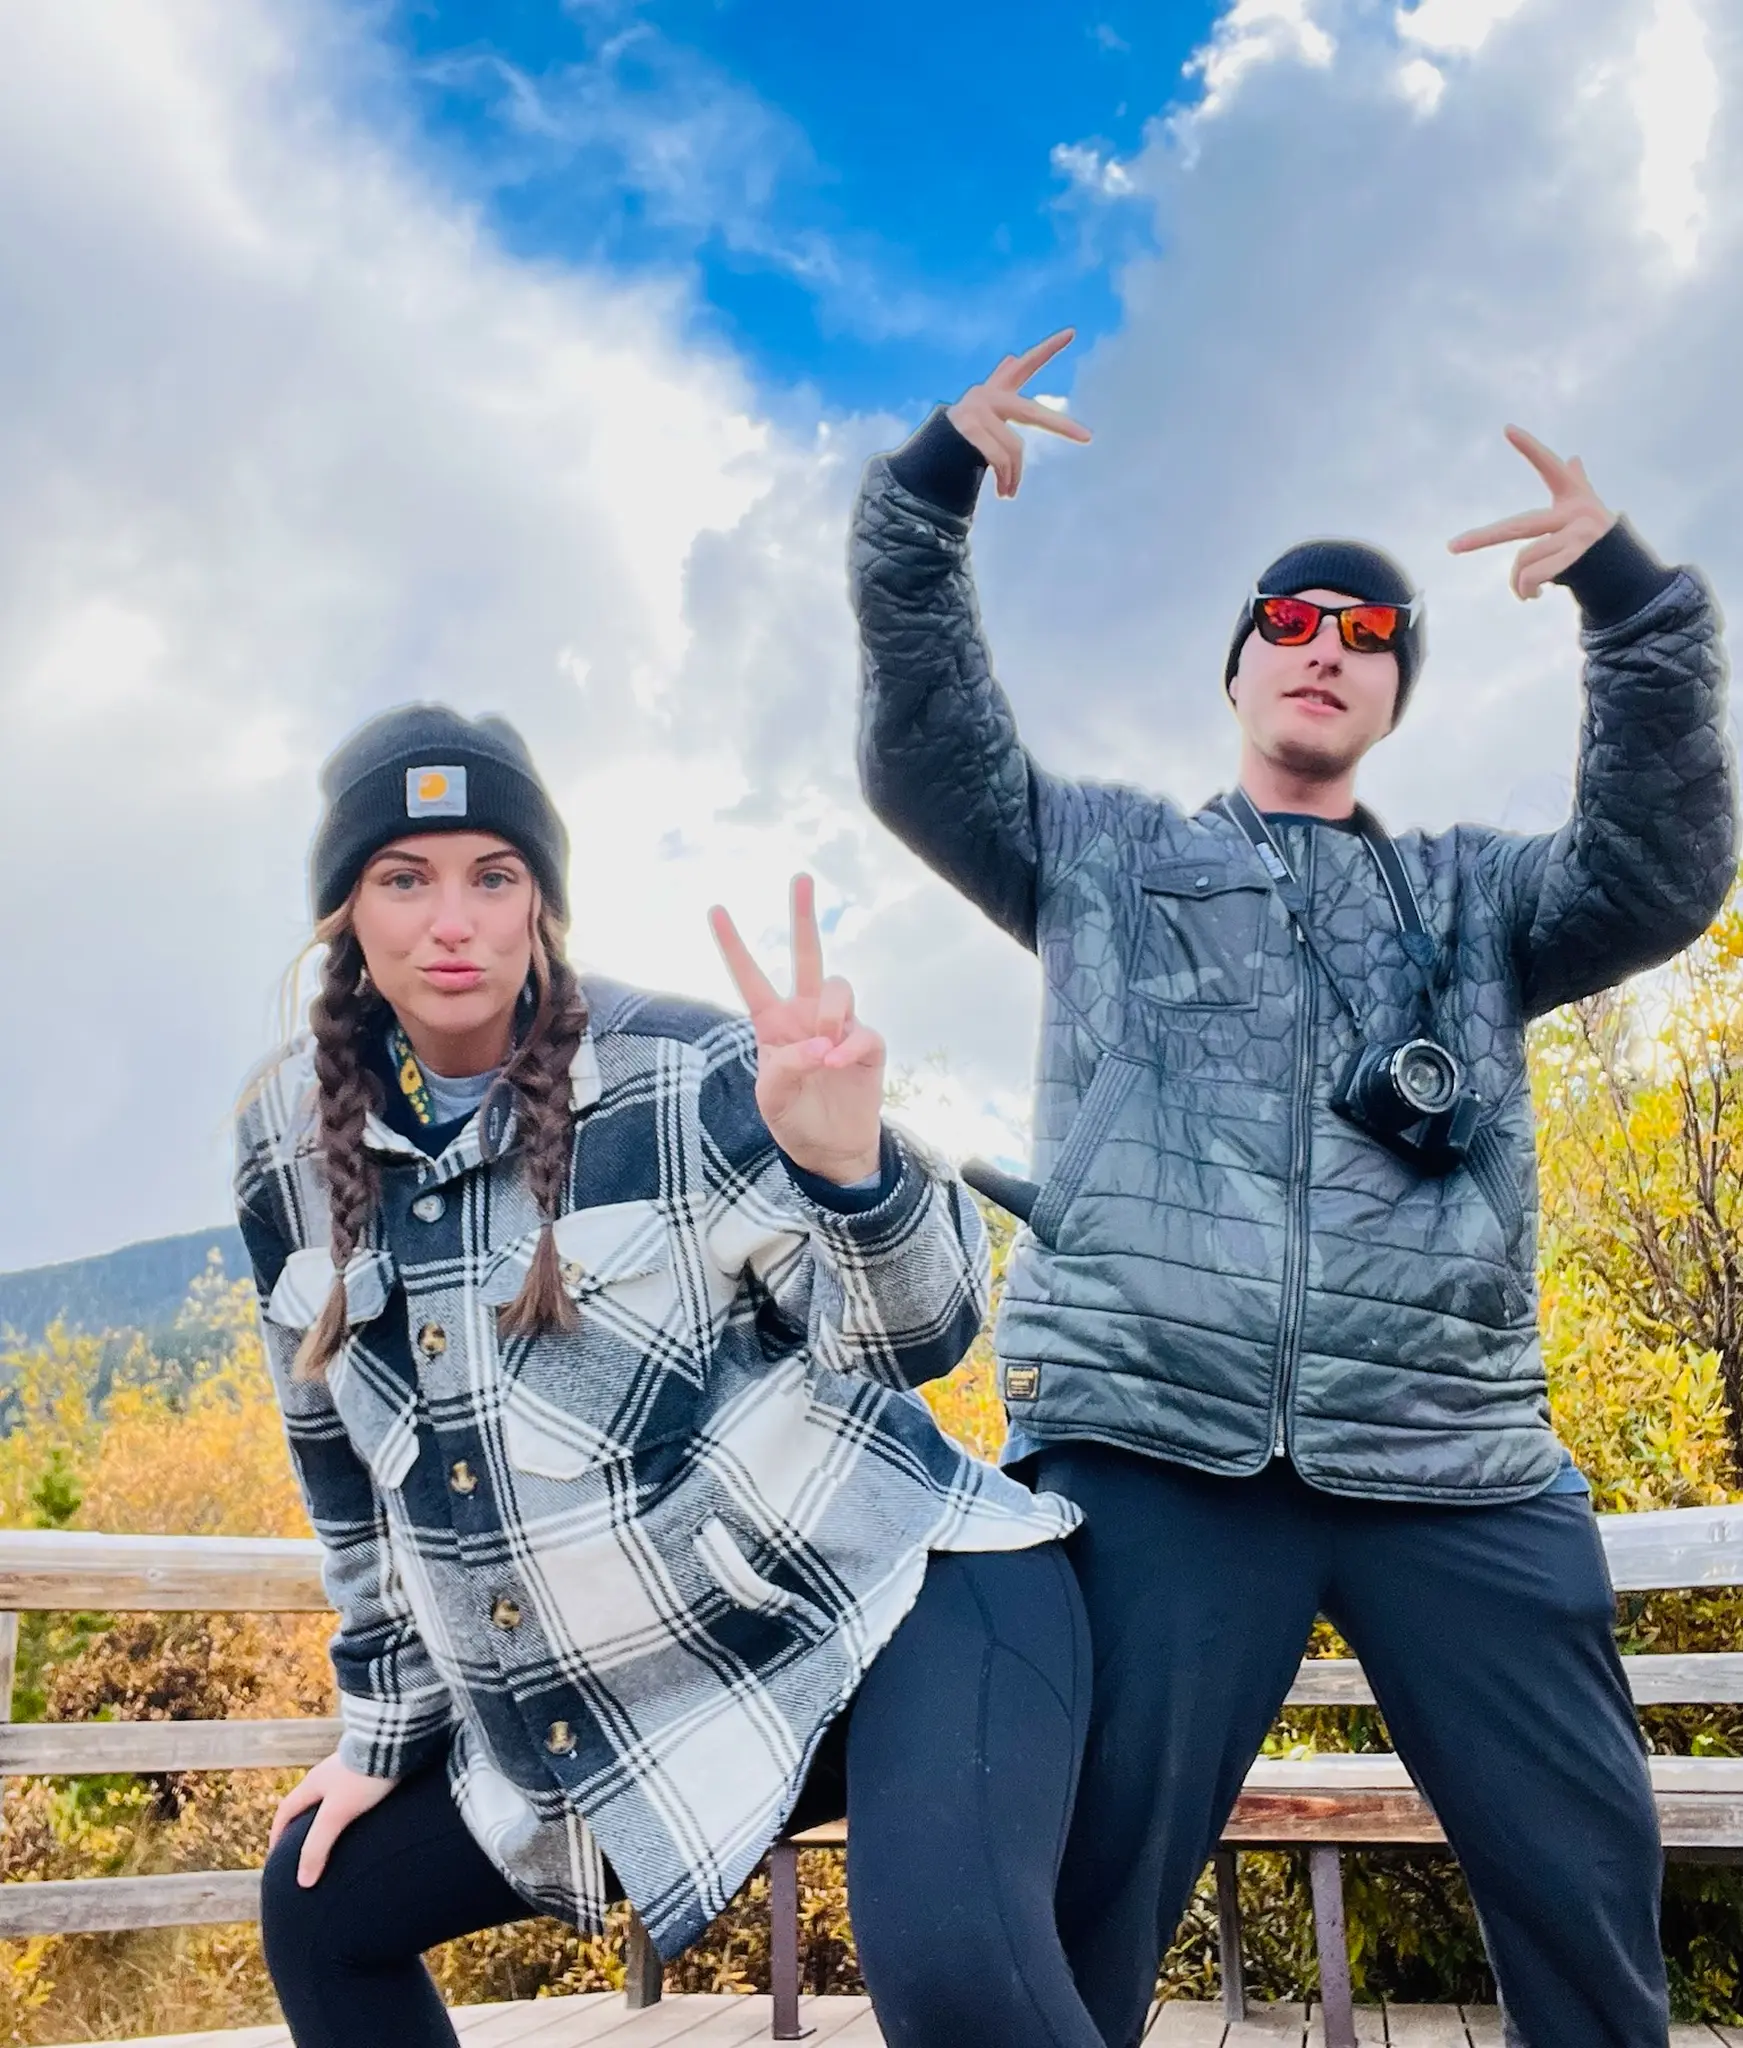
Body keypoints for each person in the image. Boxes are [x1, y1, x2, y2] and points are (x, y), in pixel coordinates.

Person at [850, 330, 1735, 2048]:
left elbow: (1660, 868)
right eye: (1292, 623)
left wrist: (1632, 609)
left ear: (1396, 695)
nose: (1326, 649)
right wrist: (926, 498)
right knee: (1085, 1902)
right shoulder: (1100, 859)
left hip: (1451, 1451)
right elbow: (926, 756)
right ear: (1239, 667)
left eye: (1370, 636)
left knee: (1584, 1886)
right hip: (1156, 1446)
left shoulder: (1481, 900)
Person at [235, 705, 1104, 2048]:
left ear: (543, 903)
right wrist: (380, 1732)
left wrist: (849, 1173)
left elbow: (921, 1338)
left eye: (494, 874)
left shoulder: (682, 1070)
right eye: (404, 878)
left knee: (949, 1969)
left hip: (903, 1598)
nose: (449, 920)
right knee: (316, 1901)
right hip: (651, 1691)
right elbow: (342, 1479)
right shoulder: (281, 1141)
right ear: (347, 910)